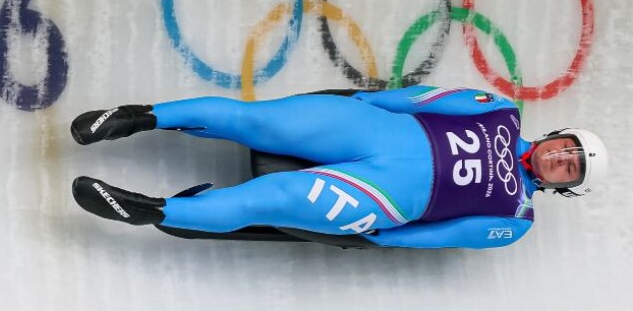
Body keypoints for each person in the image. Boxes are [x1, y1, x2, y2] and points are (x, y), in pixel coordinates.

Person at [69, 86, 609, 249]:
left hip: (385, 197)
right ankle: (136, 116)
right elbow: (419, 99)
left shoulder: (513, 220)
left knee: (273, 198)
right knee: (254, 121)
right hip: (375, 128)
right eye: (568, 149)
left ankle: (149, 210)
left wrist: (379, 238)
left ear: (563, 187)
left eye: (570, 170)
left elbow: (439, 237)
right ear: (559, 135)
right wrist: (366, 105)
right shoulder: (499, 110)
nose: (561, 159)